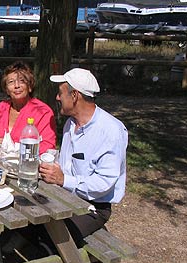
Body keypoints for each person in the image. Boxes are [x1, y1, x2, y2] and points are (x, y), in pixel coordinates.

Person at [38, 68, 128, 248]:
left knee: (51, 236)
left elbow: (104, 184)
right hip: (65, 196)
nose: (57, 98)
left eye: (60, 93)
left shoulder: (111, 131)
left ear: (75, 96)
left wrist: (64, 180)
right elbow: (67, 166)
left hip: (93, 206)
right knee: (28, 220)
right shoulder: (71, 124)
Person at [0, 61, 56, 155]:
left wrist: (13, 147)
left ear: (30, 87)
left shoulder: (43, 111)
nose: (16, 86)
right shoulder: (3, 107)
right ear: (6, 89)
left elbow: (48, 146)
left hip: (29, 165)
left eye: (22, 81)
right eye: (11, 82)